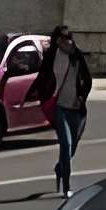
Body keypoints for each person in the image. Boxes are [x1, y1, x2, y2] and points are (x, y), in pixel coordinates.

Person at [28, 24, 92, 194]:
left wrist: (82, 96)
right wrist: (34, 93)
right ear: (57, 39)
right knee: (66, 144)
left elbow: (87, 78)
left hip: (76, 108)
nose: (67, 40)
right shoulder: (51, 57)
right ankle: (67, 186)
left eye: (68, 36)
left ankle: (60, 169)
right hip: (59, 107)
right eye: (63, 37)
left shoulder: (76, 56)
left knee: (72, 148)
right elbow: (42, 78)